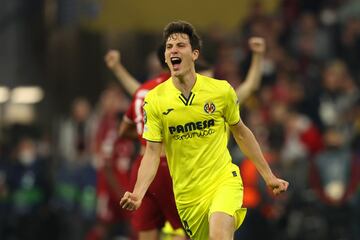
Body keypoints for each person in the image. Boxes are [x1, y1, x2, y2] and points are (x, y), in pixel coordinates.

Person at [120, 20, 289, 240]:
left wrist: (268, 176)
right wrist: (138, 193)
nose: (174, 50)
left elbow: (241, 132)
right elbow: (152, 152)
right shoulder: (155, 100)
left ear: (195, 54)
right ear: (165, 58)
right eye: (170, 47)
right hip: (187, 196)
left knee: (219, 233)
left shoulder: (221, 91)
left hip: (222, 180)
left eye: (181, 45)